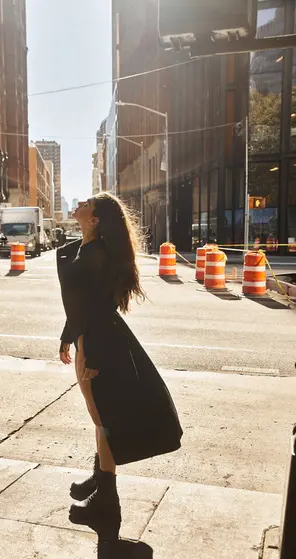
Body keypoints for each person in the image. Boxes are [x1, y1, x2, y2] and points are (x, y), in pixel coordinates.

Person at [57, 192, 183, 539]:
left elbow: (89, 307)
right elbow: (81, 303)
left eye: (87, 204)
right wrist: (69, 335)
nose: (80, 205)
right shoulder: (88, 249)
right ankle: (101, 478)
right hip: (93, 336)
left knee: (103, 418)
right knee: (100, 416)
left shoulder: (94, 253)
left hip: (99, 341)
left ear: (94, 219)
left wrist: (89, 352)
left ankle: (106, 503)